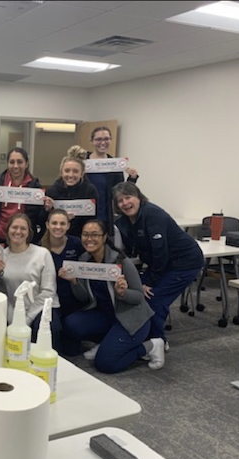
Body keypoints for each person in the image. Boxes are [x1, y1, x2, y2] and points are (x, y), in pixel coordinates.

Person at [59, 220, 163, 373]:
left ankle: (150, 347)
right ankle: (107, 342)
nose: (89, 239)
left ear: (104, 237)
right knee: (71, 323)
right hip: (107, 315)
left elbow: (139, 297)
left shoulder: (121, 262)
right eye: (85, 235)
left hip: (131, 318)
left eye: (95, 235)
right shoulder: (84, 260)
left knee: (105, 364)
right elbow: (83, 298)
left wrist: (123, 293)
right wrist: (74, 282)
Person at [113, 182, 204, 344]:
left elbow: (160, 253)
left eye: (128, 197)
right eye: (120, 201)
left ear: (138, 197)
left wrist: (148, 282)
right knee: (136, 293)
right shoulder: (124, 221)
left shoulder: (153, 214)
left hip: (184, 263)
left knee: (155, 299)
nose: (125, 203)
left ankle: (158, 342)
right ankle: (140, 336)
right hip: (162, 264)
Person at [0, 213, 61, 349]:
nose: (18, 232)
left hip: (42, 307)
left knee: (44, 329)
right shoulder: (2, 256)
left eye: (23, 228)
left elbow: (48, 291)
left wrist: (27, 318)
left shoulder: (42, 254)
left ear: (29, 232)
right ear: (7, 231)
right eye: (14, 227)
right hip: (13, 310)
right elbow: (1, 292)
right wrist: (15, 318)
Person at [85, 126, 139, 235]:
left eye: (106, 139)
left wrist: (132, 179)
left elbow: (120, 191)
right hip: (84, 214)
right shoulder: (82, 162)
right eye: (98, 139)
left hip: (104, 215)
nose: (103, 142)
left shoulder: (115, 165)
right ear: (92, 141)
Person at [0, 147, 45, 245]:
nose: (15, 166)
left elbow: (39, 219)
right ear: (7, 164)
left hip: (24, 239)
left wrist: (46, 209)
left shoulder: (35, 187)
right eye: (12, 162)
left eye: (20, 162)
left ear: (26, 164)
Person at [44, 145, 99, 237]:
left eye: (75, 171)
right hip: (55, 238)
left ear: (82, 174)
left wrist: (75, 218)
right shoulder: (52, 191)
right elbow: (43, 221)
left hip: (81, 238)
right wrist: (47, 210)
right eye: (67, 171)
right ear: (61, 173)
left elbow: (94, 219)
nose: (70, 175)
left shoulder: (90, 191)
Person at [40, 209, 85, 321]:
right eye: (54, 223)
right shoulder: (40, 249)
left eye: (62, 223)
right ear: (47, 225)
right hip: (49, 301)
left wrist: (75, 279)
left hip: (74, 300)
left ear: (68, 226)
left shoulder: (77, 244)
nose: (58, 227)